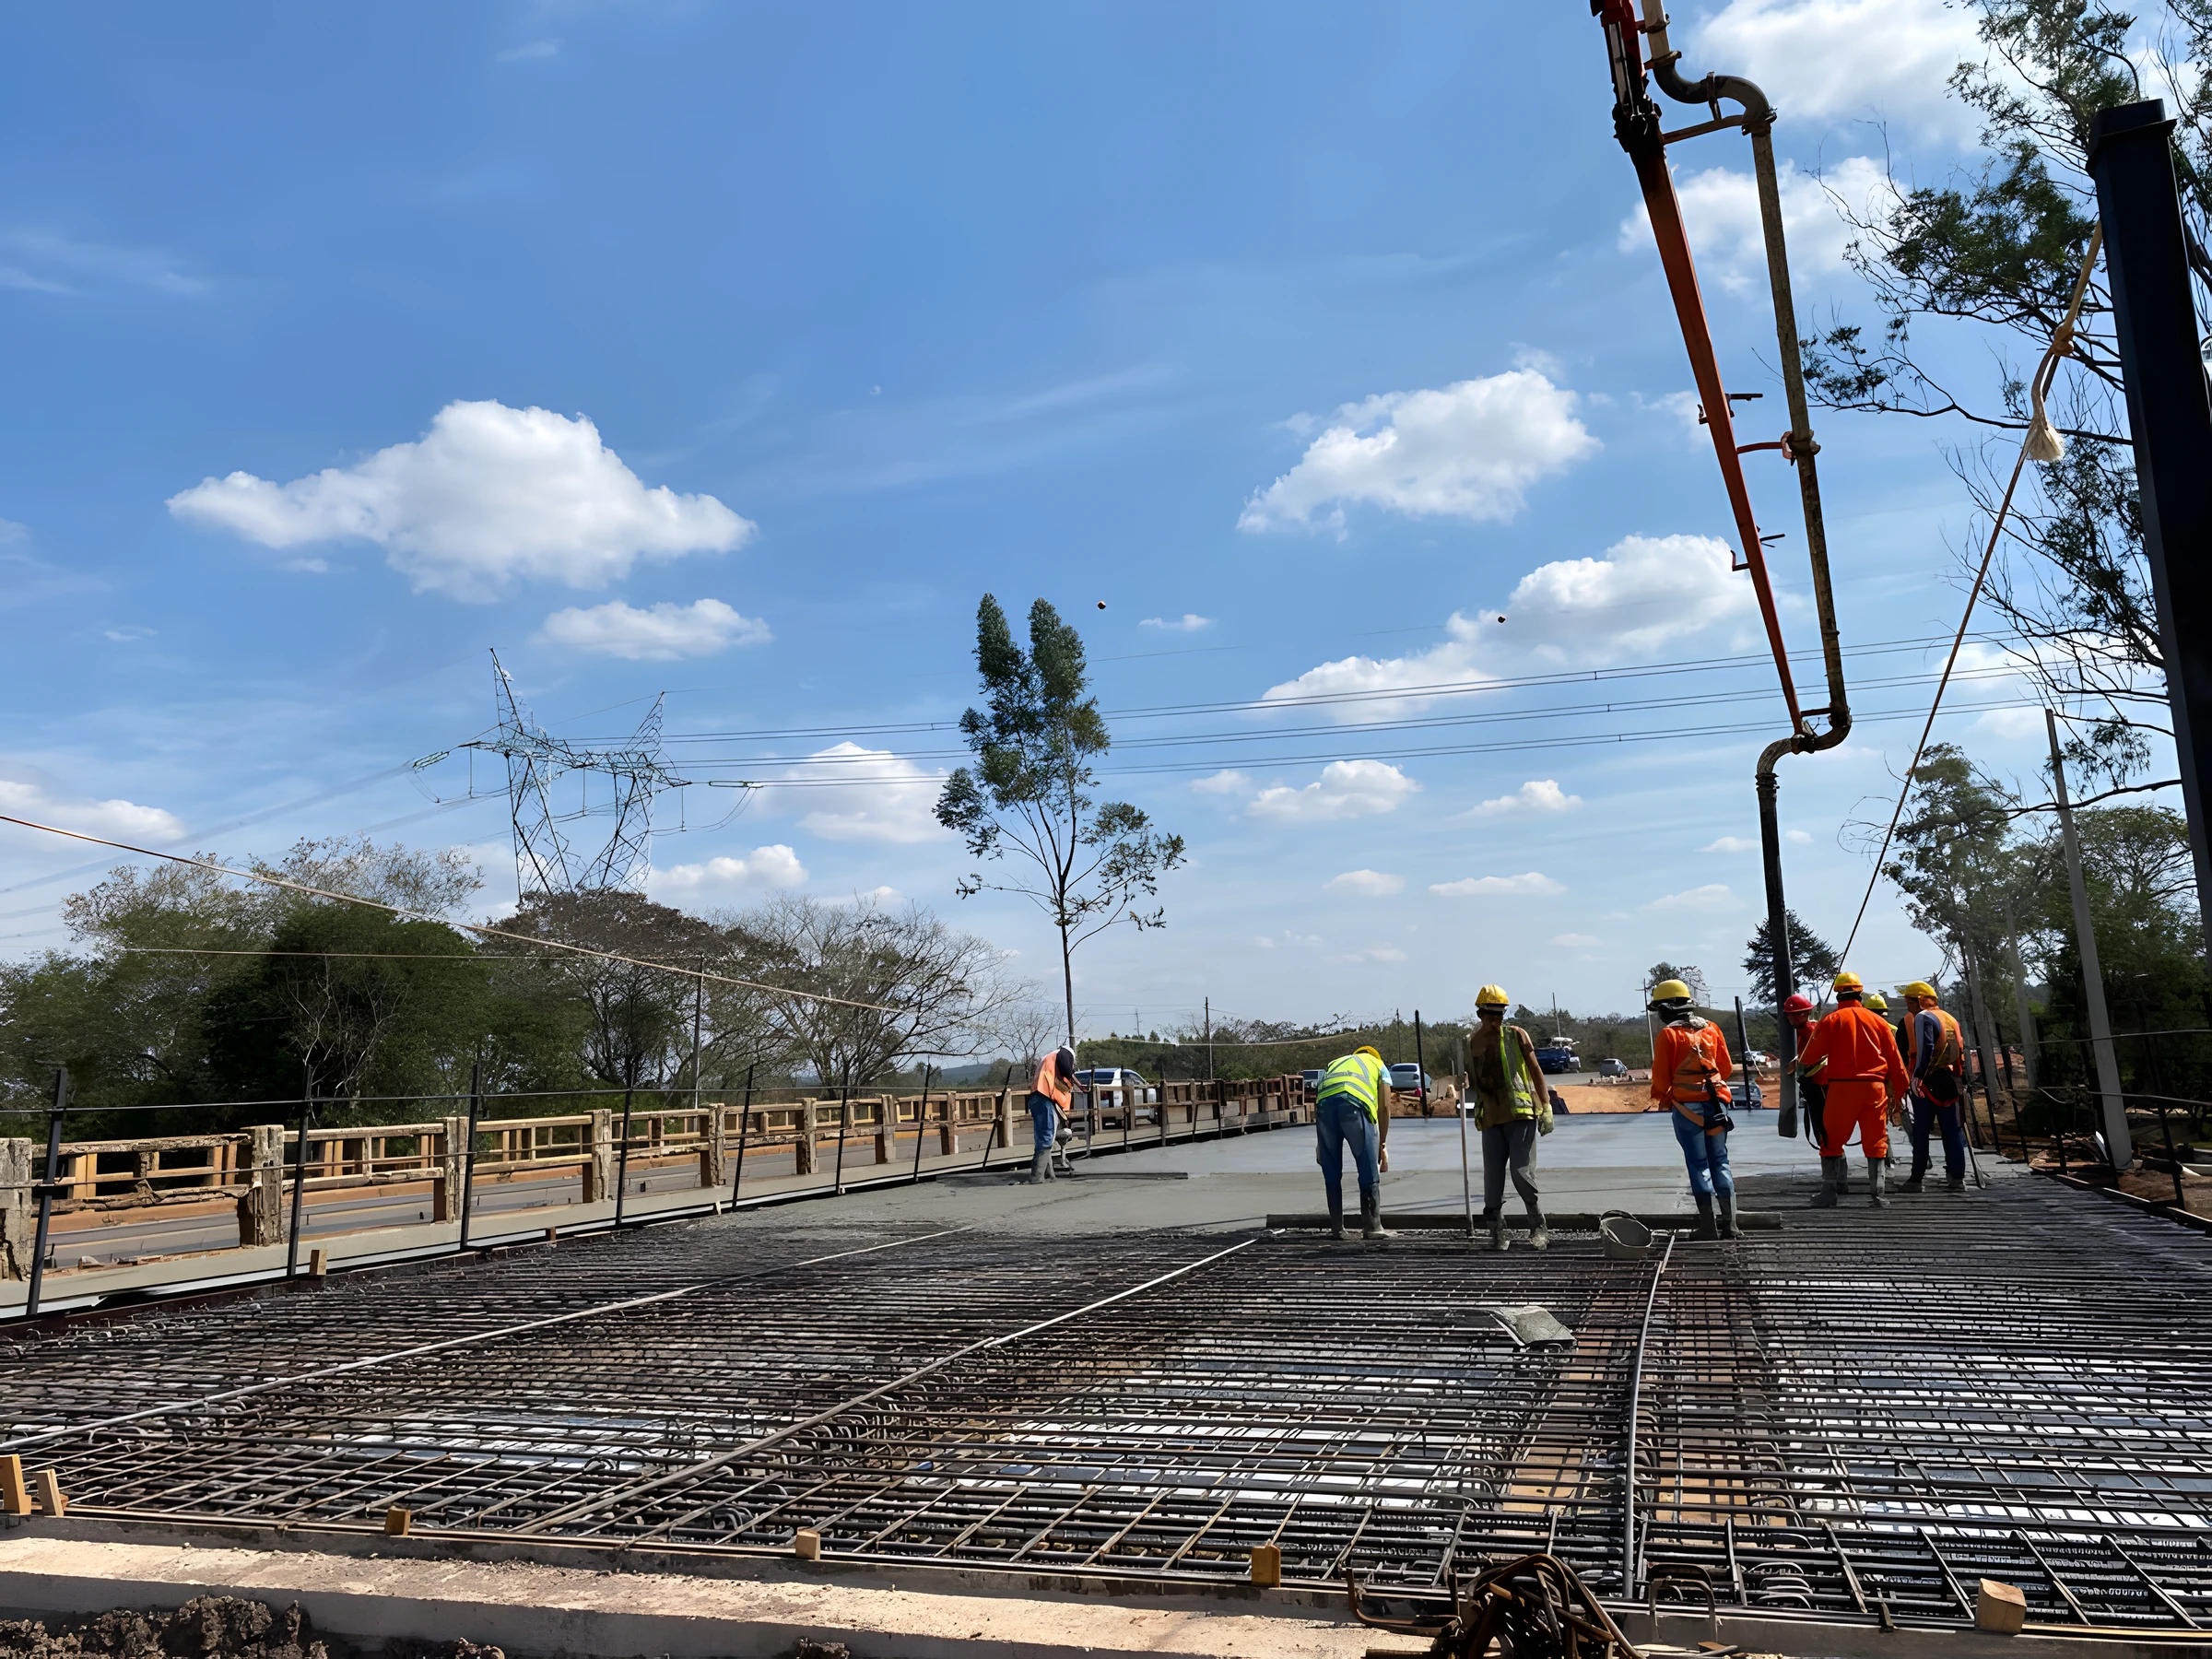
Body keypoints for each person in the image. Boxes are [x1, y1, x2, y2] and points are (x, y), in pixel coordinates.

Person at [1794, 971, 1909, 1208]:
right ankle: (1878, 1195)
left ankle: (1829, 1192)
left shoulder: (1831, 1020)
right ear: (1859, 992)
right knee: (1876, 1140)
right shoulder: (1878, 1022)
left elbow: (1809, 1058)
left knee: (1831, 1139)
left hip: (1841, 1089)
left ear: (1837, 993)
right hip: (1874, 1089)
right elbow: (1896, 1062)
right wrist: (1900, 1093)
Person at [1648, 978, 1736, 1239]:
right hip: (1718, 1104)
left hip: (1688, 1109)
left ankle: (1708, 1227)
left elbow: (1661, 1078)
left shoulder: (1669, 1035)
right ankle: (1731, 1225)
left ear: (1667, 1009)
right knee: (1720, 1160)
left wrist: (1663, 1097)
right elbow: (1726, 1068)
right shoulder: (1712, 1029)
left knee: (1698, 1163)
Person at [1468, 985, 1548, 1252]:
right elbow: (1473, 1080)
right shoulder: (1473, 1042)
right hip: (1490, 1116)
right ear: (1480, 1014)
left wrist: (1546, 1105)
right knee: (1493, 1178)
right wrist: (1462, 1081)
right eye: (1491, 1016)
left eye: (1500, 1015)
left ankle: (1538, 1227)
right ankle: (1497, 1232)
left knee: (1520, 1172)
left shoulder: (1517, 1036)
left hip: (1521, 1114)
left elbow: (1535, 1070)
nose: (1495, 1021)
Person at [1314, 1044, 1394, 1240]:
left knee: (1331, 1169)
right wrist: (1381, 1144)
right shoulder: (1379, 1065)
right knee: (1367, 1167)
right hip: (1354, 1105)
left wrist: (1321, 1145)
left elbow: (1322, 1093)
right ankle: (1373, 1228)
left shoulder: (1334, 1063)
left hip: (1324, 1108)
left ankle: (1337, 1229)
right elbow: (1384, 1107)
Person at [1900, 981, 1970, 1194]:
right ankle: (1957, 1178)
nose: (1908, 1007)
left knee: (1921, 1131)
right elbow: (1959, 1047)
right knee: (1951, 1131)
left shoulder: (1923, 1017)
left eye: (1909, 1002)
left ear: (1918, 1001)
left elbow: (1927, 1047)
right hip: (1950, 1080)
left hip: (1928, 1083)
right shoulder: (1950, 1018)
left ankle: (1916, 1179)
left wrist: (1918, 1076)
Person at [1027, 1047, 1077, 1184]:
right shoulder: (1063, 1053)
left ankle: (1050, 1176)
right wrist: (1071, 1073)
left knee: (1043, 1138)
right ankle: (1037, 1177)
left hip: (1036, 1097)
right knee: (1047, 1137)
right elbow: (1066, 1070)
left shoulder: (1046, 1059)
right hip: (1045, 1097)